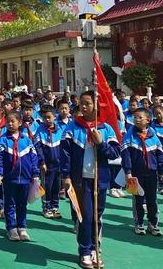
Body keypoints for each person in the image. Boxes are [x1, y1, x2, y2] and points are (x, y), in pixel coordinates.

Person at [61, 91, 121, 269]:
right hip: (80, 180)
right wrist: (66, 176)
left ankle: (96, 249)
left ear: (97, 105)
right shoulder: (72, 128)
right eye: (81, 103)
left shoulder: (106, 128)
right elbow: (65, 155)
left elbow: (115, 153)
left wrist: (101, 143)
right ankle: (85, 251)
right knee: (85, 216)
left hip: (100, 179)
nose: (83, 106)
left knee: (97, 217)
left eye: (87, 103)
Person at [0, 110, 39, 242]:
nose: (10, 124)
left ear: (19, 123)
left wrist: (35, 173)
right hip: (9, 178)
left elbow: (34, 157)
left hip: (25, 178)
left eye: (13, 121)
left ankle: (22, 227)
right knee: (9, 204)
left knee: (22, 204)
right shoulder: (2, 140)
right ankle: (11, 228)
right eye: (7, 121)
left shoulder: (26, 140)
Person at [121, 107, 163, 235]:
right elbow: (126, 155)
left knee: (152, 199)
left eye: (140, 118)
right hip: (136, 174)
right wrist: (128, 172)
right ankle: (139, 223)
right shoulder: (129, 136)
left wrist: (161, 171)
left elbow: (160, 155)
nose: (136, 120)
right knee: (138, 200)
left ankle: (153, 224)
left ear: (148, 120)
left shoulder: (153, 136)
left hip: (152, 173)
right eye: (135, 118)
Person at [33, 105, 63, 219]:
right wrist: (42, 162)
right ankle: (46, 207)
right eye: (45, 117)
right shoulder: (40, 130)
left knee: (56, 186)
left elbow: (63, 147)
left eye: (49, 117)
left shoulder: (59, 130)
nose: (47, 119)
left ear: (54, 117)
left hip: (58, 164)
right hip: (46, 165)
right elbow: (38, 147)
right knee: (46, 186)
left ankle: (55, 207)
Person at [151, 104, 163, 194]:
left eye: (159, 113)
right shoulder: (153, 125)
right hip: (158, 151)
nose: (158, 115)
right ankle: (161, 185)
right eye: (156, 114)